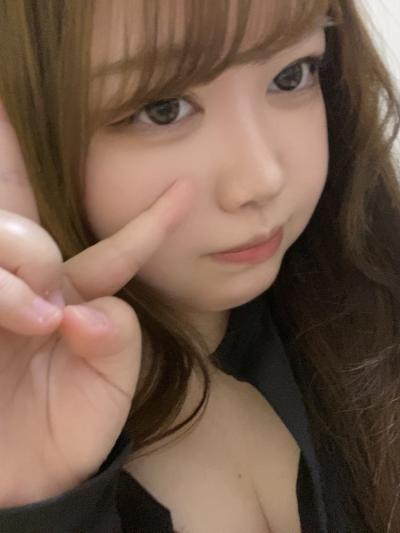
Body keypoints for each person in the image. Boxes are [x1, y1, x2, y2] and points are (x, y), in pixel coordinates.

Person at [0, 0, 399, 531]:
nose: (261, 179)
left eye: (292, 75)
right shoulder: (21, 432)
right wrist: (36, 506)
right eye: (162, 108)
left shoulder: (373, 295)